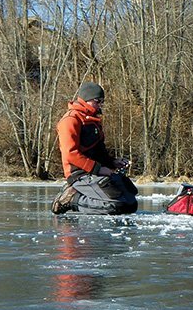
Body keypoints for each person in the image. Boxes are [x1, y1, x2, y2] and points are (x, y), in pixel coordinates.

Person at [51, 82, 137, 215]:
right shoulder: (70, 120)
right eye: (98, 101)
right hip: (79, 174)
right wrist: (98, 168)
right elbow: (70, 154)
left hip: (96, 171)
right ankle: (71, 198)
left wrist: (112, 162)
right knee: (116, 206)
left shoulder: (93, 121)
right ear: (86, 100)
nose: (100, 105)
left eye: (102, 101)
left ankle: (81, 193)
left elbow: (99, 150)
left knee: (130, 203)